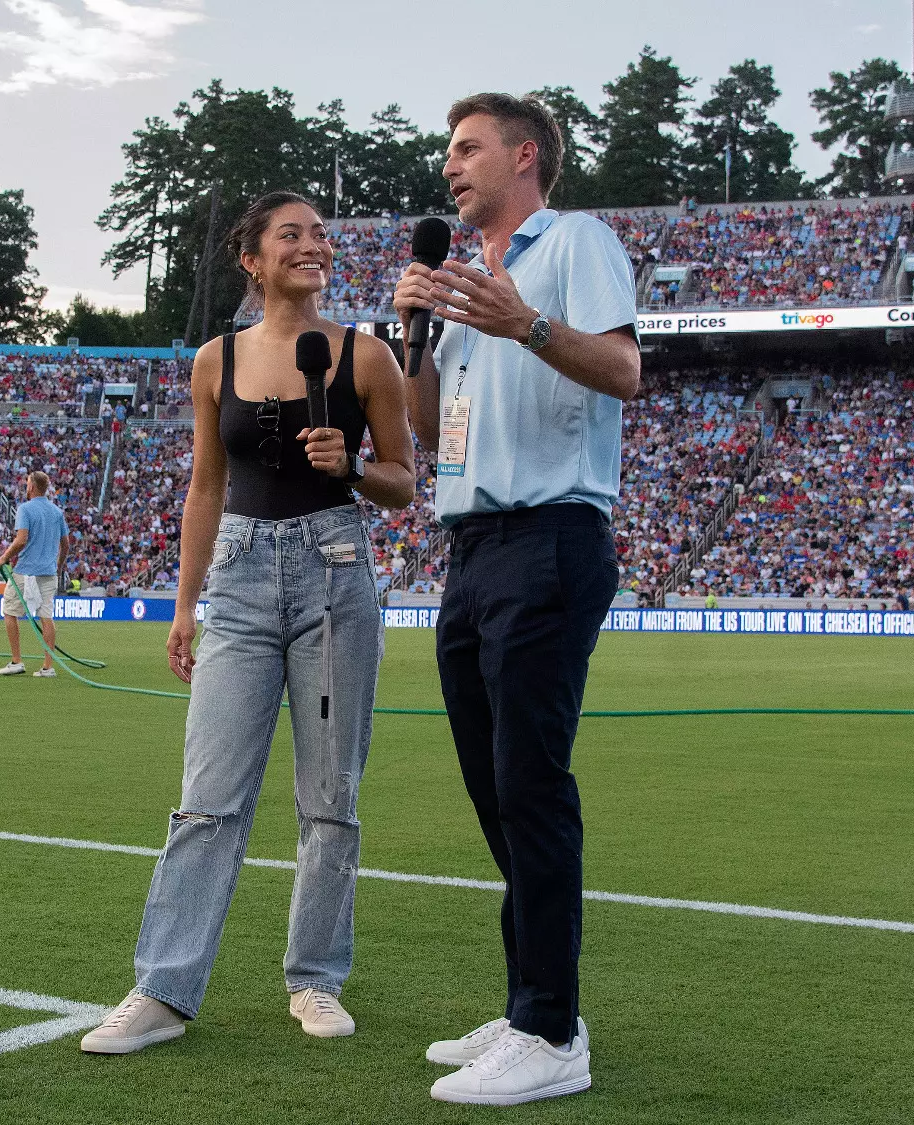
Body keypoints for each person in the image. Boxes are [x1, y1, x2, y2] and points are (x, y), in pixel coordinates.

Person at [81, 191, 415, 1055]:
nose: (313, 245)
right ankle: (162, 987)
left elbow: (407, 482)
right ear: (253, 260)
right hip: (234, 578)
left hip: (335, 575)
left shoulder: (365, 356)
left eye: (320, 235)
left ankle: (315, 978)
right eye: (291, 234)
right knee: (206, 799)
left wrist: (355, 469)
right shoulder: (212, 360)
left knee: (330, 797)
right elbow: (205, 486)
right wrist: (184, 605)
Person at [392, 93, 641, 1107]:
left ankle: (550, 1032)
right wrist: (413, 334)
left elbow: (624, 370)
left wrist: (525, 321)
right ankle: (529, 1004)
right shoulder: (455, 285)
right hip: (470, 545)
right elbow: (427, 432)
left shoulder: (571, 241)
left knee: (530, 785)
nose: (448, 165)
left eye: (466, 147)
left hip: (549, 536)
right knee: (493, 790)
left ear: (522, 154)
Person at [0, 471, 67, 678]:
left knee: (10, 611)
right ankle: (48, 666)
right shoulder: (56, 512)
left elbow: (21, 539)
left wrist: (4, 557)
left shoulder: (25, 509)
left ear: (31, 487)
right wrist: (58, 565)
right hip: (48, 572)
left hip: (26, 571)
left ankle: (17, 660)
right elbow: (66, 544)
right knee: (46, 616)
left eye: (27, 484)